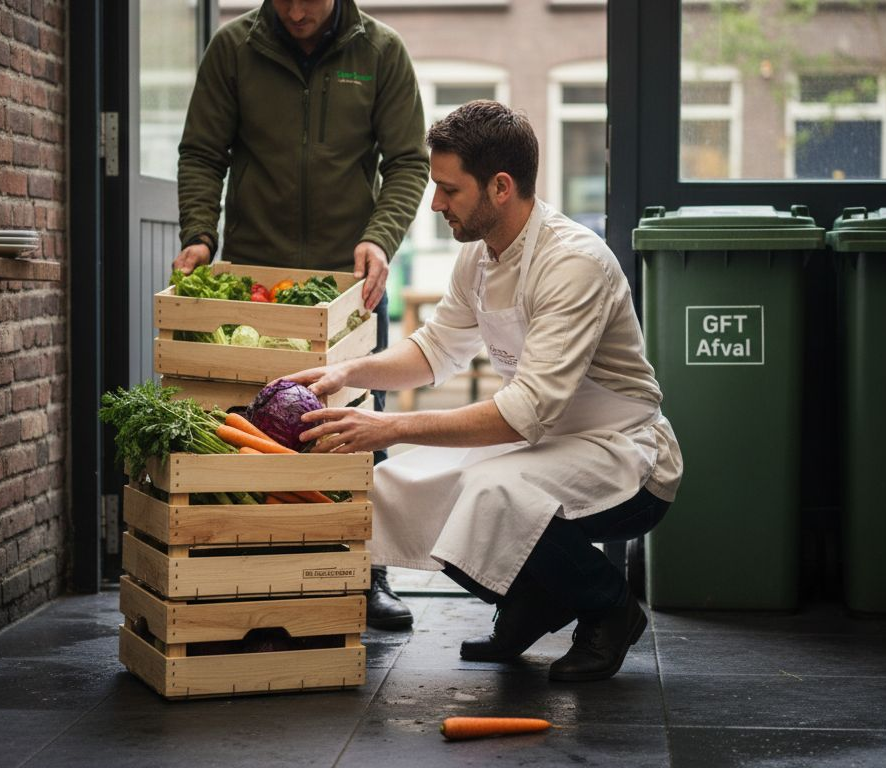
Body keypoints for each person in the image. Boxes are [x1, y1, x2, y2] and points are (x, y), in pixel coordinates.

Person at [283, 101, 683, 681]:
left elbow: (525, 413)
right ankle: (531, 602)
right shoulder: (478, 254)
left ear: (500, 187)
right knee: (398, 487)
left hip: (625, 454)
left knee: (492, 490)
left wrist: (387, 427)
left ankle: (610, 608)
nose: (435, 203)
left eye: (449, 189)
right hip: (546, 443)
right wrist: (347, 372)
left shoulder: (573, 264)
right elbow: (435, 348)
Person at [173, 0, 429, 630]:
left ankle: (367, 572)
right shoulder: (234, 49)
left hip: (350, 285)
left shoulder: (381, 52)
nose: (294, 11)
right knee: (246, 428)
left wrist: (380, 238)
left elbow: (407, 161)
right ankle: (252, 563)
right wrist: (200, 235)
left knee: (355, 427)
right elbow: (203, 152)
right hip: (254, 285)